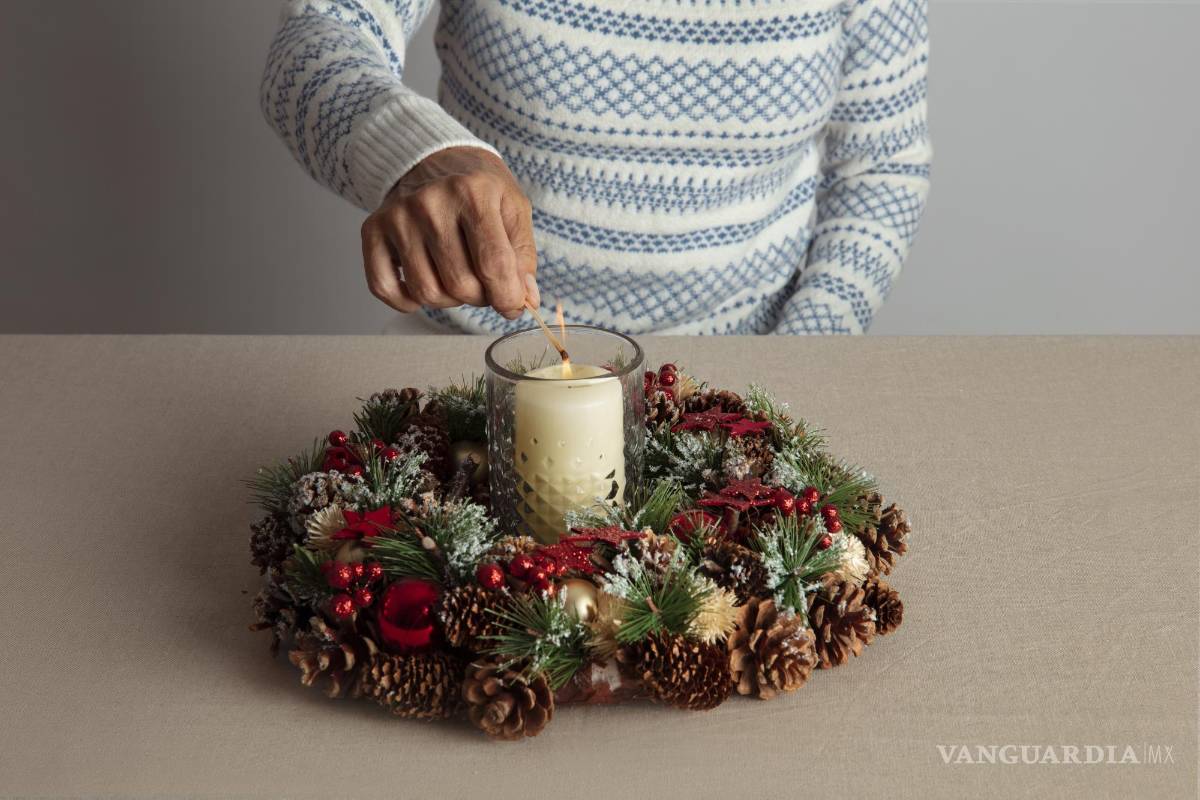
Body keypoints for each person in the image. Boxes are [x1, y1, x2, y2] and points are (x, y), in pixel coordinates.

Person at [261, 0, 930, 335]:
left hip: (750, 377)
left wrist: (801, 363)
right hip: (470, 370)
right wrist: (417, 154)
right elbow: (320, 38)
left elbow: (882, 166)